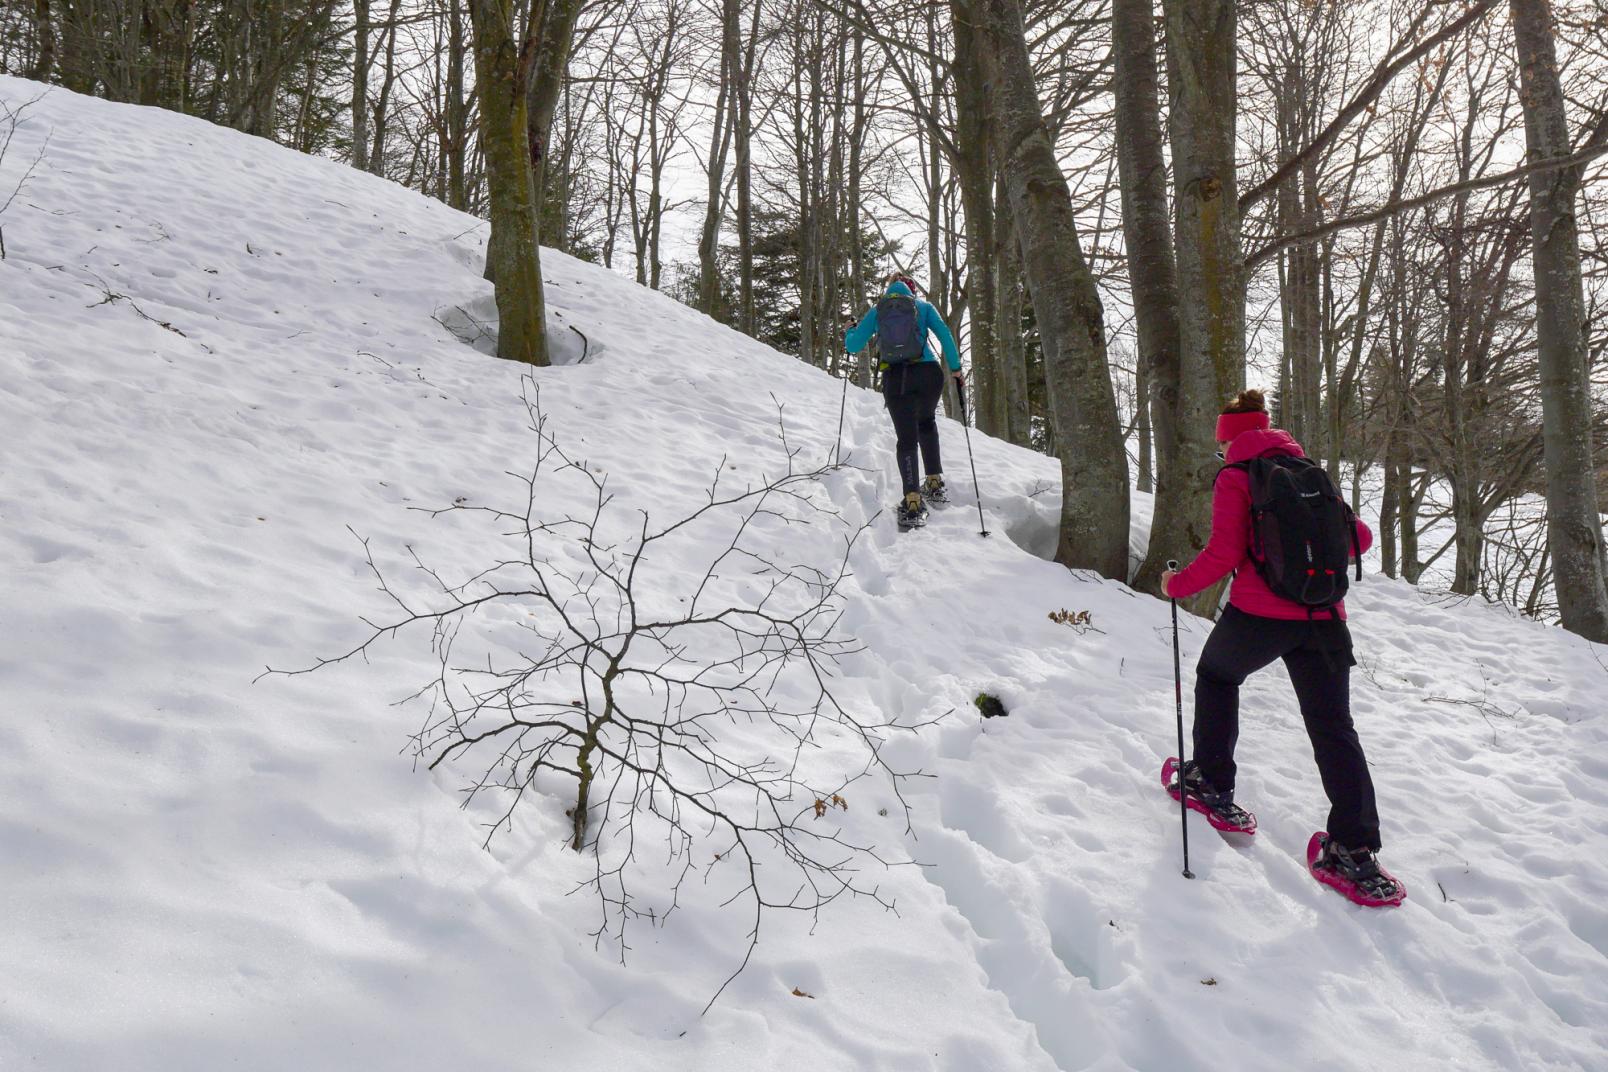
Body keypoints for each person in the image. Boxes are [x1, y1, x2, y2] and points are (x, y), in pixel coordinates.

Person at [1161, 389, 1403, 904]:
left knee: (1218, 676)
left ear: (1227, 439)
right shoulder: (1308, 471)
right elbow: (1358, 539)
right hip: (1326, 619)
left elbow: (1223, 551)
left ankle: (1210, 780)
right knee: (1333, 726)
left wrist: (1176, 585)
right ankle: (1354, 851)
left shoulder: (1236, 477)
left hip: (1261, 615)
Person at [844, 272, 964, 529]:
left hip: (896, 378)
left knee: (907, 439)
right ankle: (934, 482)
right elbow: (944, 335)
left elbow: (854, 346)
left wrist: (849, 331)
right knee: (927, 423)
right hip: (929, 374)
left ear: (890, 290)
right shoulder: (923, 307)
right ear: (912, 290)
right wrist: (955, 368)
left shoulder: (879, 311)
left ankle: (912, 500)